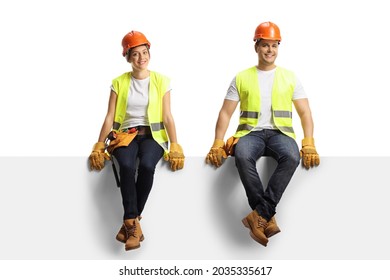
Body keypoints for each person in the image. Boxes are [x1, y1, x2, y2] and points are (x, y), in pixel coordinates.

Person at [205, 21, 320, 247]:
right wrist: (218, 142)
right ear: (256, 46)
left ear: (279, 47)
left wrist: (309, 143)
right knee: (242, 155)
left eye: (274, 45)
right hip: (250, 133)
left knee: (292, 157)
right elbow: (225, 113)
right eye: (265, 45)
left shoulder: (290, 77)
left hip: (281, 133)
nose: (270, 50)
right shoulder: (241, 77)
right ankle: (265, 216)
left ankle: (259, 215)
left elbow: (305, 112)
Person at [89, 30, 184, 251]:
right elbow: (110, 117)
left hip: (153, 137)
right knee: (127, 166)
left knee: (148, 166)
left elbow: (168, 116)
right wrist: (99, 145)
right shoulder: (118, 82)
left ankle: (130, 223)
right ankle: (134, 224)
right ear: (127, 57)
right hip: (125, 136)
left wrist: (176, 144)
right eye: (135, 54)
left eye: (144, 52)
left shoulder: (162, 81)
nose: (141, 58)